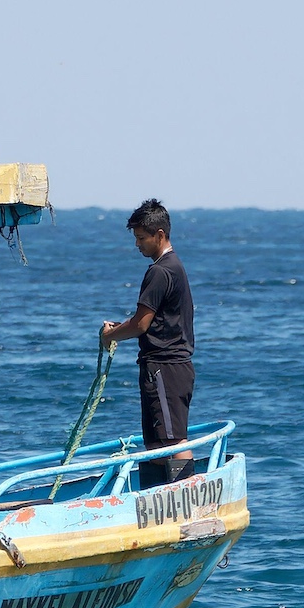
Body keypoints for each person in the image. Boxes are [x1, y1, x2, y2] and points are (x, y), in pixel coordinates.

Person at [99, 199, 196, 489]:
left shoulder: (160, 271)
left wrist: (110, 336)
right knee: (156, 441)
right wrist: (121, 328)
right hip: (167, 366)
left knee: (172, 439)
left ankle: (186, 497)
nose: (138, 245)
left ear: (160, 234)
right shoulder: (173, 267)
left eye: (142, 238)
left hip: (165, 367)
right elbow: (150, 321)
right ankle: (155, 496)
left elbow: (141, 324)